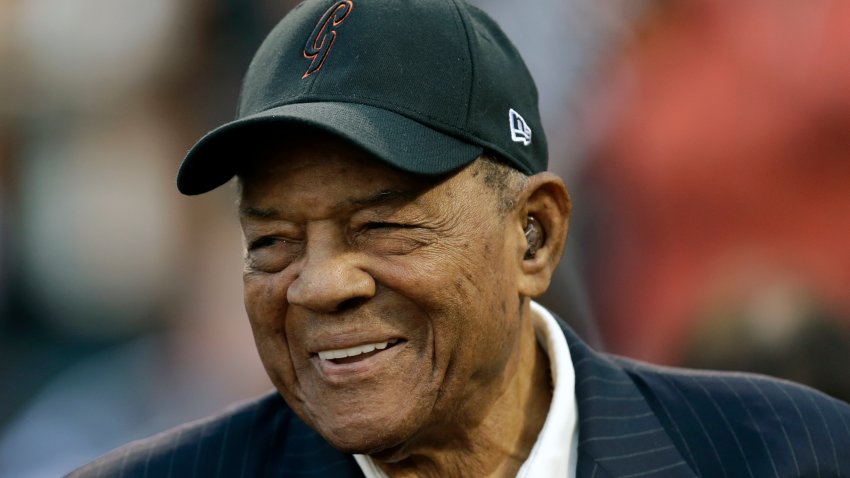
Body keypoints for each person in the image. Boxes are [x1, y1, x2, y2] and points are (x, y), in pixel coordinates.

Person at [69, 1, 850, 477]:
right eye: (271, 240)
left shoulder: (790, 456)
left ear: (534, 237)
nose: (318, 284)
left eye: (381, 225)